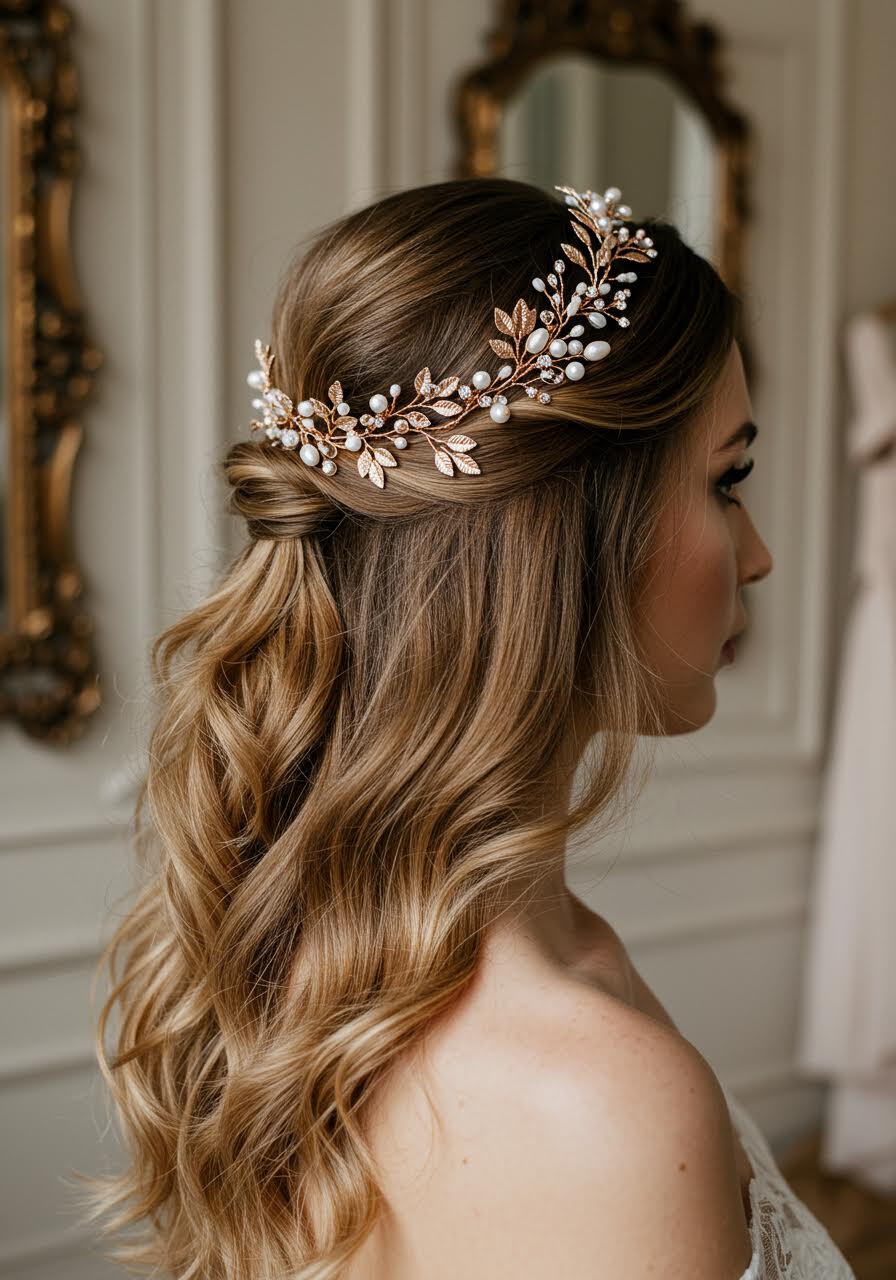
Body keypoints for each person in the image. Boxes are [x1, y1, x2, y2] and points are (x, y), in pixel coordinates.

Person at [81, 179, 855, 1278]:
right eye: (725, 480)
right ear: (564, 539)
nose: (759, 550)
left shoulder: (335, 950)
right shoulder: (601, 1101)